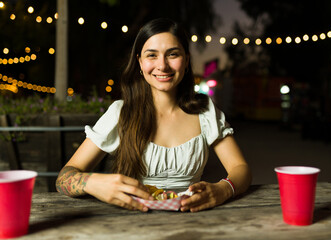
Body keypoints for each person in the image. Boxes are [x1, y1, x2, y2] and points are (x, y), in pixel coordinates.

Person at [56, 18, 251, 212]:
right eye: (152, 55)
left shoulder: (204, 109)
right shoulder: (120, 113)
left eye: (172, 54)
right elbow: (64, 178)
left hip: (193, 219)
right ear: (140, 62)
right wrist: (93, 183)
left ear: (187, 60)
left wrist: (223, 189)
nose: (162, 66)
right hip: (131, 221)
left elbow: (241, 168)